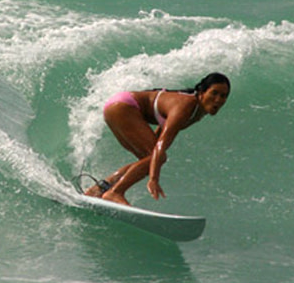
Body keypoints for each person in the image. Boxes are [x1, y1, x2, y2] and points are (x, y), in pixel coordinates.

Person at [85, 73, 230, 205]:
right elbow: (161, 144)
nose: (218, 100)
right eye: (214, 93)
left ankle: (99, 189)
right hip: (124, 107)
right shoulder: (186, 105)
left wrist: (153, 164)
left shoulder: (197, 112)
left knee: (149, 160)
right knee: (156, 158)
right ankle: (115, 192)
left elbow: (159, 138)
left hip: (116, 106)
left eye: (223, 96)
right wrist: (154, 178)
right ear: (202, 92)